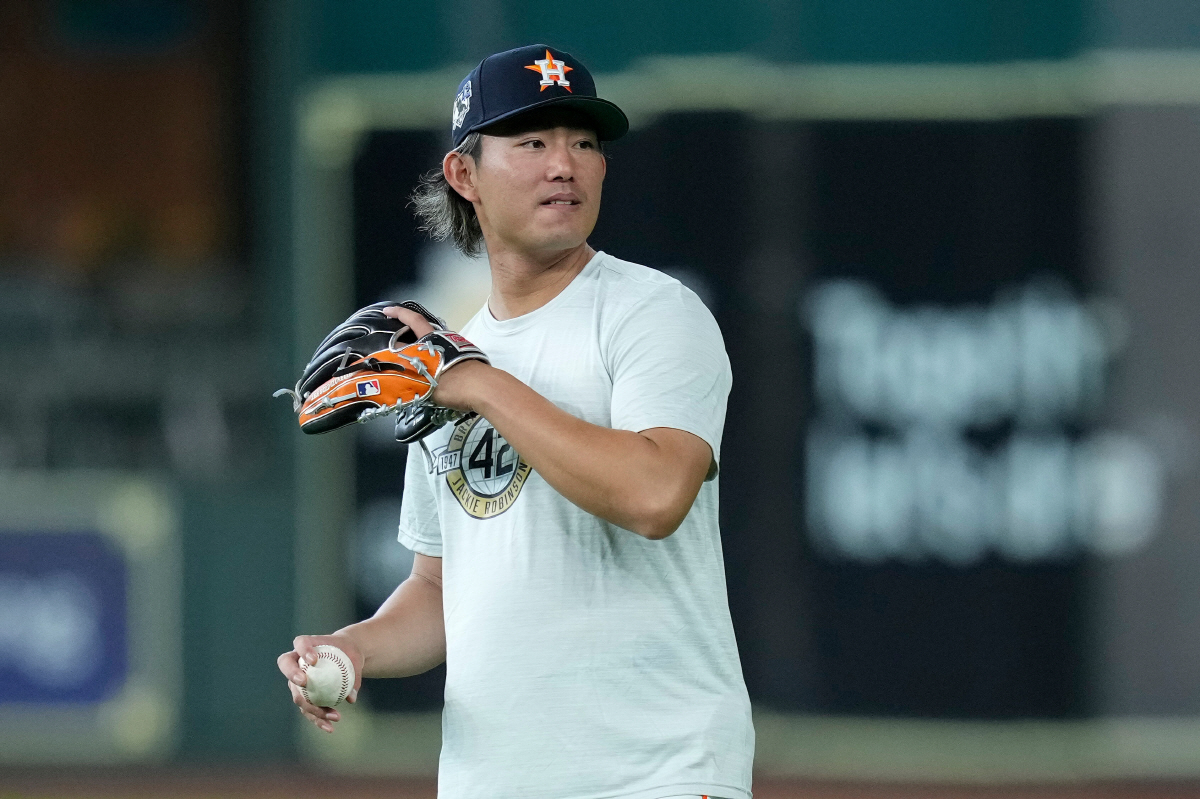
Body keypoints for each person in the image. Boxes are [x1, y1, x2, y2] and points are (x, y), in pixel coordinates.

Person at [277, 44, 754, 799]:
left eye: (584, 143)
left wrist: (477, 384)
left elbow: (657, 494)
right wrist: (354, 645)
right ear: (463, 175)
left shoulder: (652, 313)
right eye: (532, 141)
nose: (563, 164)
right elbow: (439, 587)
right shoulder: (447, 367)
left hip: (653, 772)